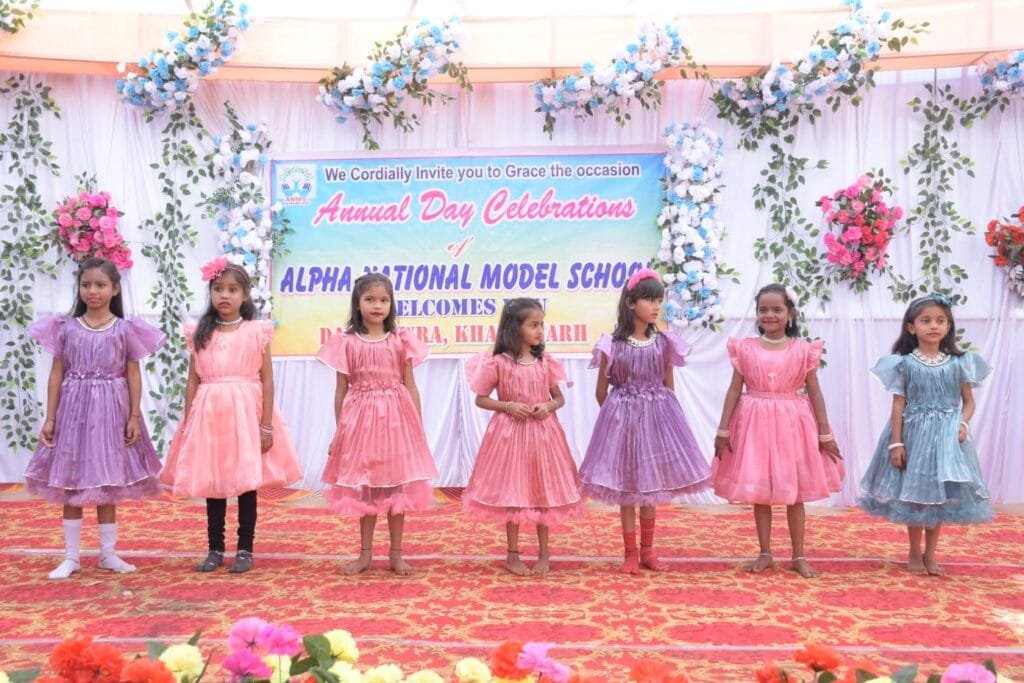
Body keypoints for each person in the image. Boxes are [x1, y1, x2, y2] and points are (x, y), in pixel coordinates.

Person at [26, 257, 164, 579]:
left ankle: (107, 553)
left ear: (114, 289)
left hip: (111, 413)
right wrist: (50, 418)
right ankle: (71, 556)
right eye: (86, 284)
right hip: (73, 412)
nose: (93, 291)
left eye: (101, 285)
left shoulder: (125, 329)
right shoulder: (66, 328)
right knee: (70, 480)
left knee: (108, 481)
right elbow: (57, 373)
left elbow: (133, 373)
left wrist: (133, 416)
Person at [161, 257, 301, 574]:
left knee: (247, 482)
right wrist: (188, 422)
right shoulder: (200, 332)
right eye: (218, 289)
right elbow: (193, 380)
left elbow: (267, 379)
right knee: (214, 480)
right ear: (210, 293)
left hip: (245, 413)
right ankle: (215, 548)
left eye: (232, 289)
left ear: (245, 295)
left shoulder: (257, 331)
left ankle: (245, 549)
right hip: (210, 413)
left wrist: (266, 425)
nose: (225, 295)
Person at [578, 268, 710, 574]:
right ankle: (630, 554)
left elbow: (668, 386)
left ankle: (648, 551)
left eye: (659, 301)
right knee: (628, 490)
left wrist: (666, 422)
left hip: (656, 423)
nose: (656, 306)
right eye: (649, 300)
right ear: (630, 303)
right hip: (623, 425)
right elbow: (601, 391)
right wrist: (618, 419)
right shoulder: (612, 344)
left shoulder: (664, 343)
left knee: (649, 488)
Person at [712, 283, 843, 578]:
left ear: (790, 313)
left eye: (777, 309)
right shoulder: (744, 348)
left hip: (792, 424)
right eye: (763, 310)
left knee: (795, 492)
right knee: (761, 490)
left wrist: (824, 432)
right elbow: (734, 390)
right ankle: (765, 553)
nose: (769, 315)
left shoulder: (803, 350)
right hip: (754, 423)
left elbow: (815, 392)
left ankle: (799, 555)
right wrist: (723, 429)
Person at [859, 294, 992, 575]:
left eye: (940, 321)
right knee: (916, 495)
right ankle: (913, 551)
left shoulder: (959, 363)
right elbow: (898, 404)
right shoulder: (904, 363)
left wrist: (963, 424)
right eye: (926, 320)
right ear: (911, 327)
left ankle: (930, 554)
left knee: (939, 496)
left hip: (946, 439)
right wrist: (896, 442)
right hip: (914, 437)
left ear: (948, 326)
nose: (934, 326)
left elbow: (969, 402)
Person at [317, 272, 438, 576]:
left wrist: (417, 428)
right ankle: (365, 555)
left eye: (384, 300)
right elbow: (341, 391)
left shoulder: (400, 340)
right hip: (361, 423)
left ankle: (396, 554)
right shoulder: (346, 342)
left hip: (397, 422)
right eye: (370, 299)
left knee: (397, 490)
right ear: (357, 303)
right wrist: (340, 431)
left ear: (391, 304)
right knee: (367, 489)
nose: (377, 305)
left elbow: (410, 385)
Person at [463, 298, 583, 576]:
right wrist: (508, 406)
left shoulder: (544, 362)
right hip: (509, 436)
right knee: (513, 493)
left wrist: (548, 406)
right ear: (515, 328)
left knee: (543, 492)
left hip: (543, 435)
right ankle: (513, 554)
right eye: (533, 325)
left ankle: (544, 554)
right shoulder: (498, 362)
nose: (540, 330)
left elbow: (559, 398)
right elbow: (481, 399)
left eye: (541, 325)